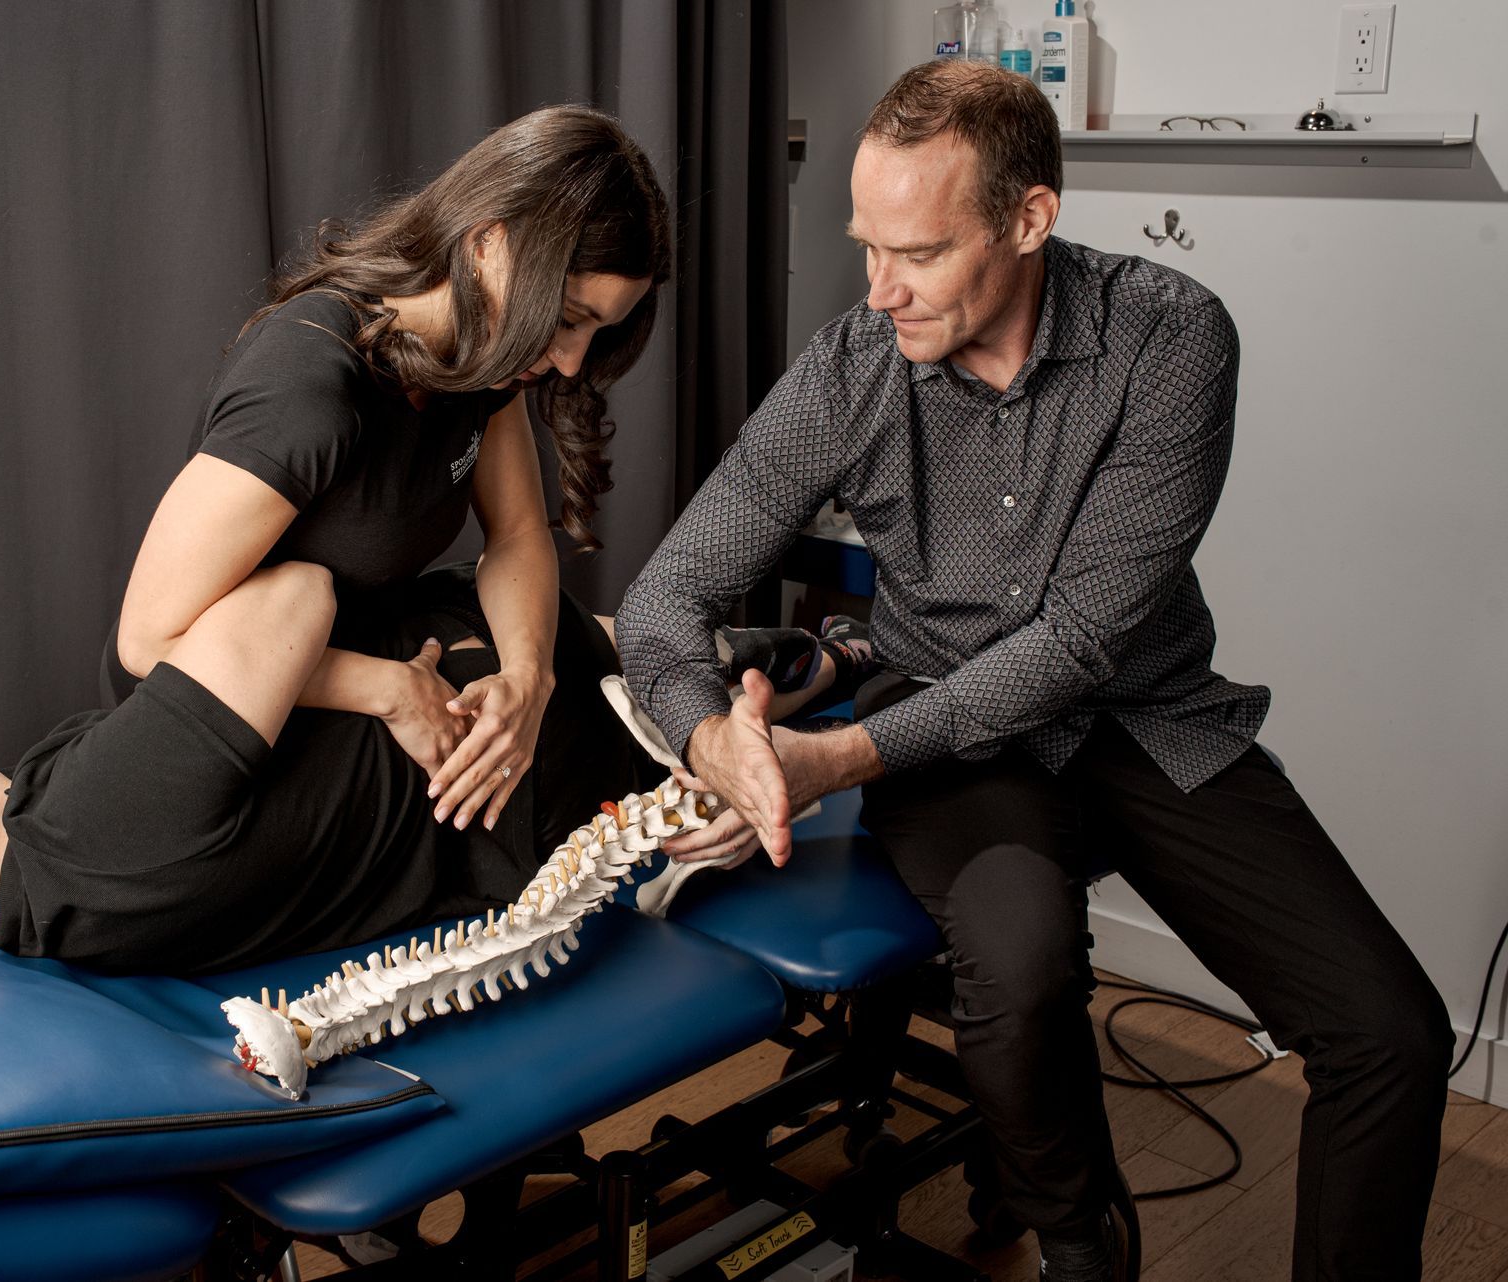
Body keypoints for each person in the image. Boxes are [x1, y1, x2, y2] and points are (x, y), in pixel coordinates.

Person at [615, 60, 1450, 1282]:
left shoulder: (1170, 338)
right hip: (947, 738)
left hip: (1143, 716)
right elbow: (663, 598)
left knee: (1392, 1032)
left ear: (1029, 219)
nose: (880, 289)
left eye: (921, 251)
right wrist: (713, 740)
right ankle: (1080, 1237)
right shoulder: (854, 365)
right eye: (867, 246)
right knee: (1016, 967)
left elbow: (1078, 645)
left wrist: (834, 752)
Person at [107, 103, 670, 843]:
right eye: (567, 318)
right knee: (550, 753)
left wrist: (529, 682)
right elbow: (146, 641)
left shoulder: (486, 362)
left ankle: (808, 660)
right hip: (235, 704)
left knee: (579, 659)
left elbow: (517, 536)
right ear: (487, 243)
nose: (571, 360)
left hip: (374, 641)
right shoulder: (308, 381)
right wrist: (389, 690)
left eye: (600, 329)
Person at [0, 561, 649, 975]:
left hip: (502, 794)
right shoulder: (90, 819)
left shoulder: (49, 919)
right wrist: (382, 689)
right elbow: (298, 595)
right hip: (528, 738)